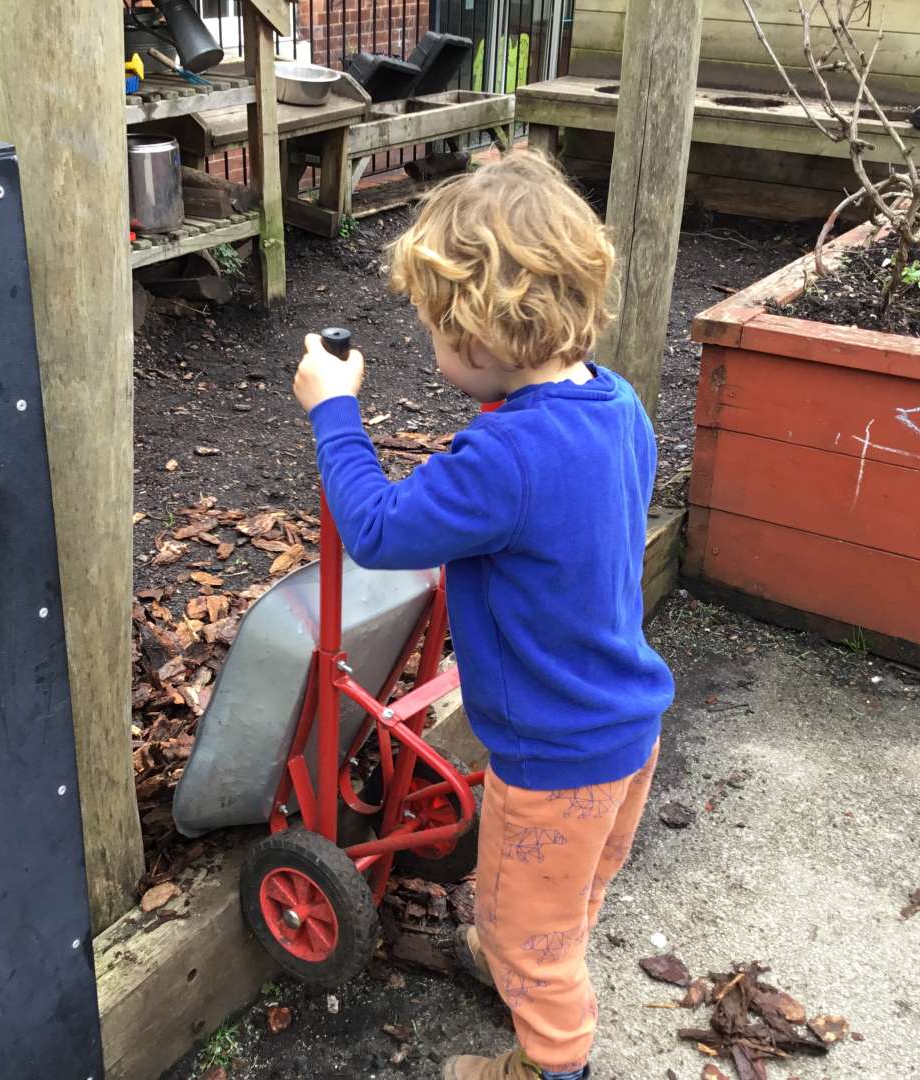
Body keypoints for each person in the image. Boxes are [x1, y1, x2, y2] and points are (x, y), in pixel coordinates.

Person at [293, 150, 675, 1080]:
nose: (431, 343)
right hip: (626, 727)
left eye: (435, 326)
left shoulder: (504, 458)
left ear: (479, 333)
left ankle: (548, 1059)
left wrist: (333, 410)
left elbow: (378, 529)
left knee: (529, 939)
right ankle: (526, 949)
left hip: (554, 760)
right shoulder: (617, 403)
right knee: (565, 900)